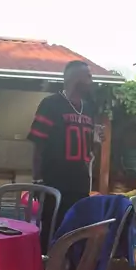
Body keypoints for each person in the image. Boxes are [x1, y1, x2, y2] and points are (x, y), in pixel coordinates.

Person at [28, 60, 95, 252]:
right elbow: (38, 145)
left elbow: (89, 147)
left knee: (77, 234)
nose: (91, 80)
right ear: (75, 78)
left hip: (80, 184)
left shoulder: (88, 108)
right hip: (54, 183)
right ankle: (45, 269)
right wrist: (37, 179)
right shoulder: (51, 105)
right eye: (88, 76)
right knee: (52, 232)